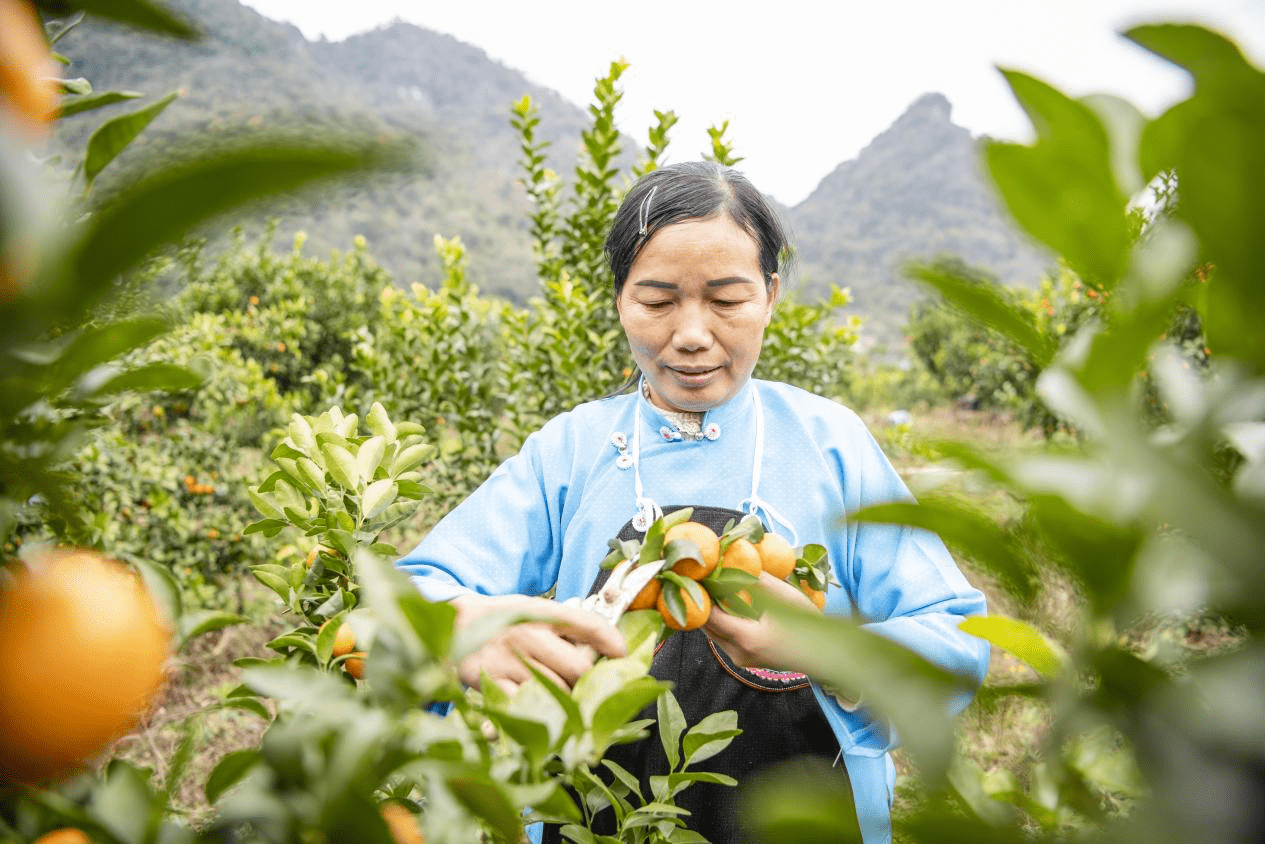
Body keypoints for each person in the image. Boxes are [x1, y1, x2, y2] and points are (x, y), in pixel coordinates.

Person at [397, 161, 989, 844]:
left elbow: (955, 638)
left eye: (726, 299)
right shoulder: (570, 451)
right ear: (618, 298)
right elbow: (412, 596)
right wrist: (464, 630)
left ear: (769, 294)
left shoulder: (831, 446)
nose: (691, 334)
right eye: (656, 301)